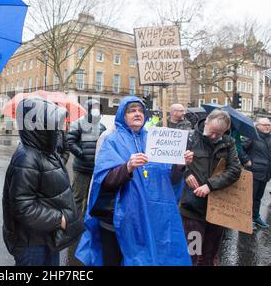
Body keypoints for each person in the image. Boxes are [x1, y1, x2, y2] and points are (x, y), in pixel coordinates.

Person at [75, 96, 192, 266]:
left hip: (147, 217)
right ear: (123, 115)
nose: (137, 114)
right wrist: (127, 167)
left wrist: (179, 167)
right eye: (131, 111)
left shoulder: (155, 140)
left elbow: (169, 181)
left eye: (140, 110)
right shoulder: (111, 140)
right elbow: (104, 181)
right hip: (117, 219)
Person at [2, 97, 84, 266]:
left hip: (47, 238)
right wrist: (59, 219)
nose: (59, 128)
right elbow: (23, 207)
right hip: (32, 245)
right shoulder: (27, 158)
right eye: (54, 123)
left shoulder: (46, 151)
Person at [180, 109, 241, 266]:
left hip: (218, 210)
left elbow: (235, 170)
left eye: (219, 133)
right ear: (205, 122)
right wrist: (185, 172)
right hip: (193, 210)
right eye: (212, 131)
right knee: (193, 253)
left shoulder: (228, 143)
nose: (214, 136)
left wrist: (210, 185)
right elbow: (174, 163)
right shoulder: (189, 138)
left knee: (210, 254)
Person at [67, 99, 106, 218]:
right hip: (82, 168)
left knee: (90, 198)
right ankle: (74, 221)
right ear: (87, 109)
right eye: (93, 108)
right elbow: (70, 141)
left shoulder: (102, 127)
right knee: (78, 197)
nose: (96, 111)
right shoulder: (77, 124)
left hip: (95, 169)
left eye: (98, 108)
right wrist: (81, 153)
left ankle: (84, 221)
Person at [242, 117, 271, 229]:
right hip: (253, 172)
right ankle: (248, 219)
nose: (268, 127)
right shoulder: (252, 135)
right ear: (258, 126)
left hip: (265, 173)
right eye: (265, 125)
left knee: (258, 197)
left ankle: (256, 216)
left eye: (269, 124)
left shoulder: (269, 138)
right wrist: (246, 160)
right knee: (250, 197)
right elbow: (240, 148)